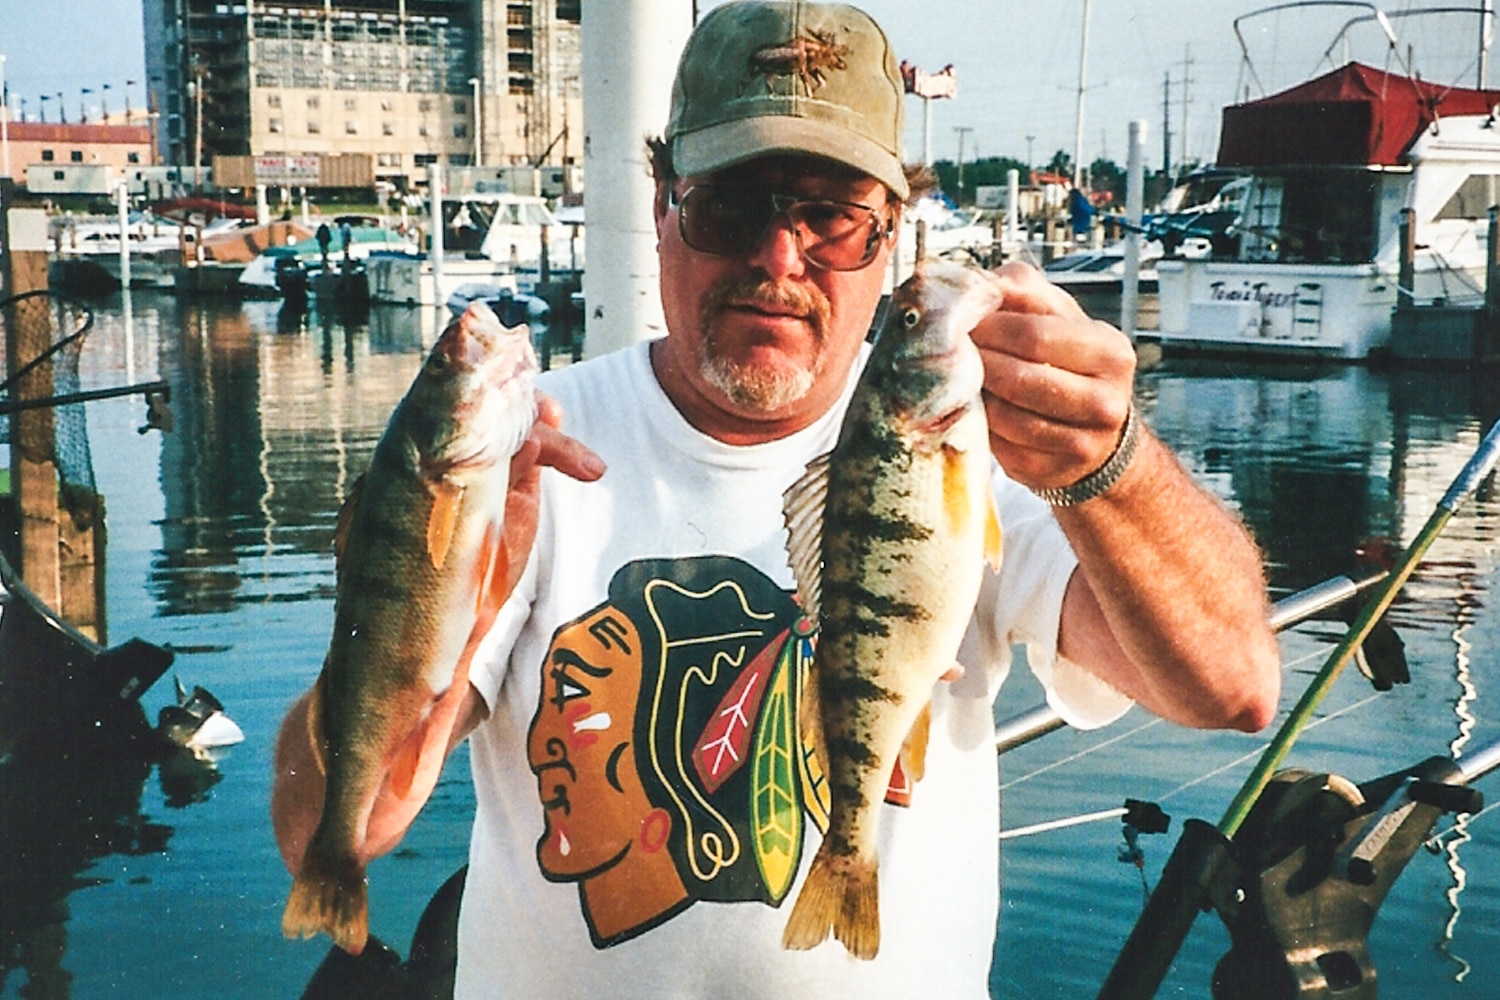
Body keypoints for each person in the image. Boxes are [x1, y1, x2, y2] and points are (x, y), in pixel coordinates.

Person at [273, 2, 1281, 997]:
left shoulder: (985, 463)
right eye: (729, 207)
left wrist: (1116, 467)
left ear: (892, 236)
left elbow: (1231, 688)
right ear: (664, 205)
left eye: (831, 218)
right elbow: (333, 831)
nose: (778, 258)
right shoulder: (529, 454)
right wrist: (458, 587)